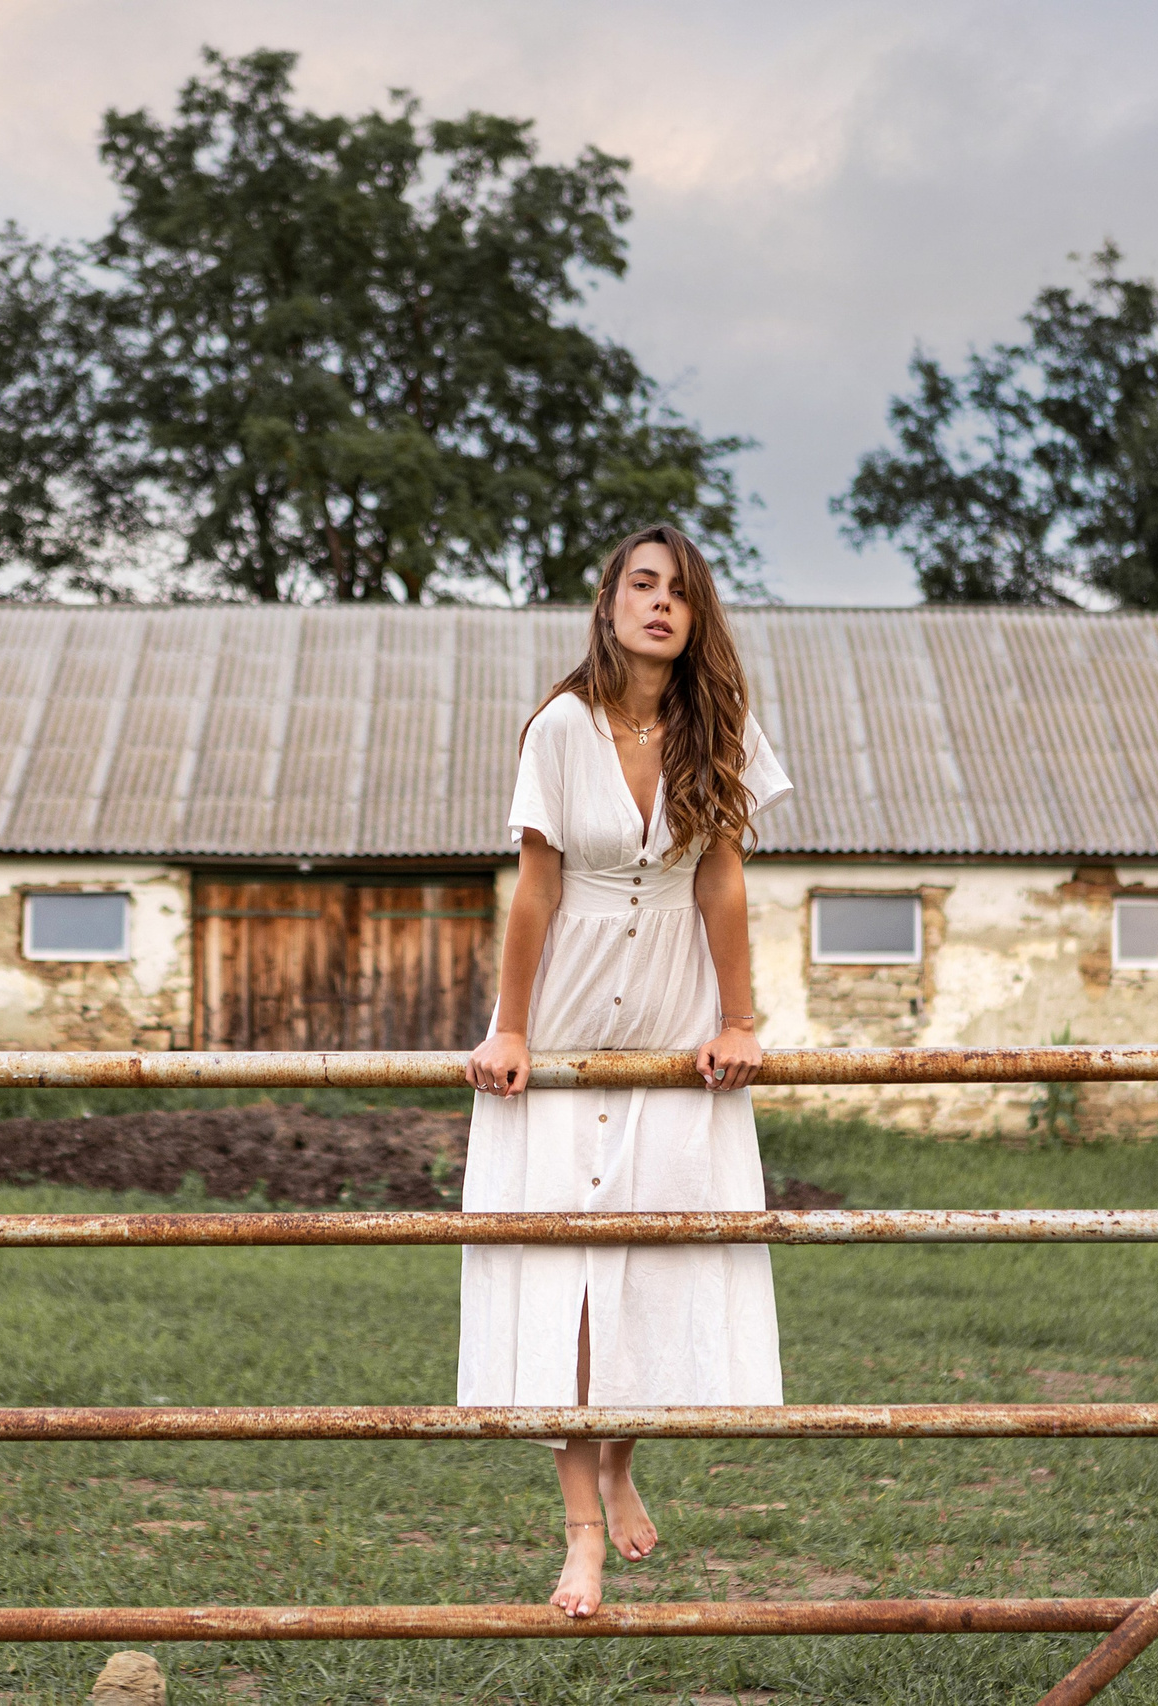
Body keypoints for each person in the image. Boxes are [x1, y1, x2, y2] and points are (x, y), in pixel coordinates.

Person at [460, 523, 792, 1619]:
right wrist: (510, 1031)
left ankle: (622, 1453)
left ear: (697, 619)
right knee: (565, 1270)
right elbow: (538, 889)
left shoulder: (719, 726)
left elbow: (723, 884)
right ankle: (579, 1530)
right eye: (640, 585)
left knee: (650, 1253)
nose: (659, 604)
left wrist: (738, 1016)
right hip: (564, 1016)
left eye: (679, 592)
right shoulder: (559, 726)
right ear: (607, 604)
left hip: (671, 1018)